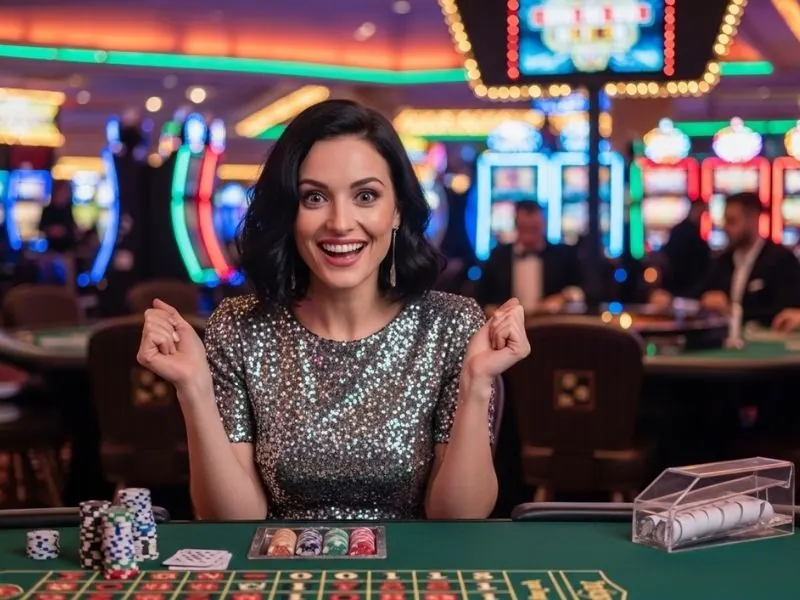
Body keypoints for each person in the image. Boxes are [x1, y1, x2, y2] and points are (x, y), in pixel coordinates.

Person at [137, 100, 530, 521]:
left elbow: (457, 518)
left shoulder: (452, 325)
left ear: (396, 210)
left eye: (365, 196)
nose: (340, 222)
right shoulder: (238, 328)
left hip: (411, 576)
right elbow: (233, 522)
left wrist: (477, 384)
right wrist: (194, 390)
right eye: (314, 197)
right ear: (289, 213)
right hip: (283, 576)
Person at [651, 192, 800, 325]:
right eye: (725, 221)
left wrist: (731, 310)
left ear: (753, 220)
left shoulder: (781, 260)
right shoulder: (723, 261)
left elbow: (785, 312)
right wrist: (671, 301)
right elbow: (697, 295)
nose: (726, 228)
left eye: (732, 221)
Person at [476, 200, 584, 315]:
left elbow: (583, 289)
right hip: (507, 327)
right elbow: (480, 298)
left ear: (543, 224)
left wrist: (564, 297)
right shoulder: (498, 257)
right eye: (524, 228)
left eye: (534, 228)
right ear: (516, 225)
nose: (529, 235)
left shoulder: (563, 256)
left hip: (551, 326)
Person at [660, 200, 710, 297]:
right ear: (693, 210)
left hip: (680, 286)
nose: (701, 215)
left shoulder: (681, 230)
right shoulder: (687, 233)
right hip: (684, 284)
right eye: (701, 211)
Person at [38, 181, 78, 288]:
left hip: (66, 251)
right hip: (51, 250)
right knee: (43, 269)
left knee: (69, 274)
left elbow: (72, 229)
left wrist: (63, 231)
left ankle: (69, 298)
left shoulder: (68, 210)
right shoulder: (48, 210)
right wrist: (51, 230)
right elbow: (41, 227)